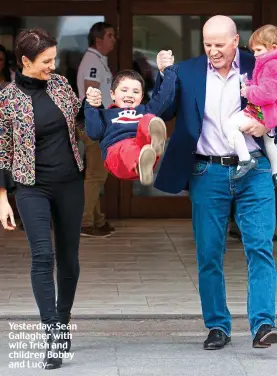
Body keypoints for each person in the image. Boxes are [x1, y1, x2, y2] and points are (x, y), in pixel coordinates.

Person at [155, 16, 277, 349]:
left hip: (255, 168)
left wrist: (267, 126)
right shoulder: (187, 71)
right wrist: (163, 75)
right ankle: (217, 326)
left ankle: (263, 325)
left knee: (260, 247)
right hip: (207, 172)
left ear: (235, 41)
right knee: (209, 254)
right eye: (207, 44)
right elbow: (162, 108)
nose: (213, 51)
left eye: (219, 44)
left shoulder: (261, 62)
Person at [0, 28, 84, 370]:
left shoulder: (62, 86)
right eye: (46, 61)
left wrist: (95, 107)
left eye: (54, 59)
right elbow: (2, 152)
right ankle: (51, 334)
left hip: (69, 183)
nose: (53, 65)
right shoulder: (6, 100)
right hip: (30, 186)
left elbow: (80, 122)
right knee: (42, 256)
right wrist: (3, 198)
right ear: (24, 61)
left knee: (69, 259)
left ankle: (62, 325)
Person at [223, 25, 277, 185]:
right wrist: (251, 84)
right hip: (276, 111)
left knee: (230, 125)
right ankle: (275, 173)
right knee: (270, 140)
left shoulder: (272, 65)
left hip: (265, 110)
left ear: (273, 47)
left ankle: (245, 159)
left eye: (258, 50)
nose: (255, 54)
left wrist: (248, 91)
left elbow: (268, 94)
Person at [84, 67, 176, 184]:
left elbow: (165, 96)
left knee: (149, 119)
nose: (130, 95)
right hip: (117, 156)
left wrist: (168, 71)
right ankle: (140, 161)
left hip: (144, 151)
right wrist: (90, 106)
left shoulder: (144, 110)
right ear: (112, 94)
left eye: (136, 92)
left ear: (142, 97)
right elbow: (94, 133)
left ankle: (153, 147)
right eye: (124, 90)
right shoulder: (106, 114)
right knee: (127, 147)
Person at [77, 22, 116, 238]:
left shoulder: (98, 60)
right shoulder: (92, 61)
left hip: (98, 121)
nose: (114, 39)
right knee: (95, 175)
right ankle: (85, 222)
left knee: (97, 175)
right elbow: (92, 91)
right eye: (110, 35)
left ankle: (97, 219)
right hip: (95, 123)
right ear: (98, 40)